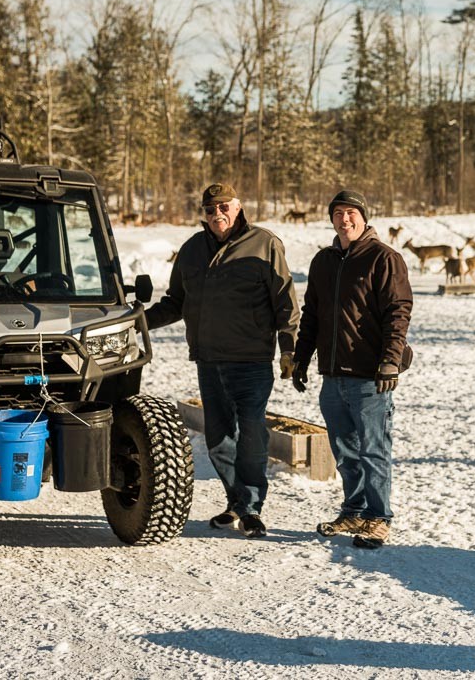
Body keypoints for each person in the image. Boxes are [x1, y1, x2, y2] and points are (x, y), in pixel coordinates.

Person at [145, 182, 299, 538]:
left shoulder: (264, 244)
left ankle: (251, 508)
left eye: (224, 207)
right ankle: (237, 502)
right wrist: (139, 322)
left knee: (251, 434)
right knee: (218, 437)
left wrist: (289, 349)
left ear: (239, 206)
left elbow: (285, 302)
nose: (218, 215)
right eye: (211, 209)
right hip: (209, 359)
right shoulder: (192, 250)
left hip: (251, 359)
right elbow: (175, 302)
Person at [291, 189, 413, 549]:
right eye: (339, 213)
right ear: (331, 219)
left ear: (363, 217)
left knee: (373, 448)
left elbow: (398, 313)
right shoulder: (324, 261)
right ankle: (355, 510)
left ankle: (378, 518)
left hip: (370, 376)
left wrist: (390, 359)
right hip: (333, 375)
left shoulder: (384, 258)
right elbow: (312, 314)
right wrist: (301, 357)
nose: (345, 219)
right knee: (344, 449)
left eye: (351, 213)